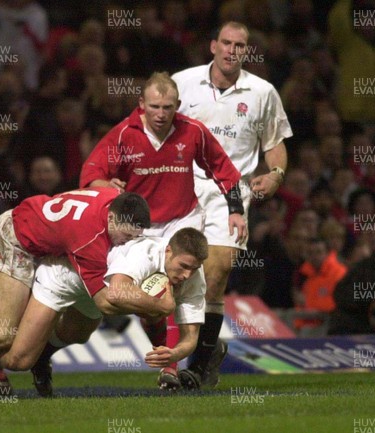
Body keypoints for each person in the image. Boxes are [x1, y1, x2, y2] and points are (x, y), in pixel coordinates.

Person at [79, 71, 246, 389]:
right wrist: (107, 186)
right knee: (149, 304)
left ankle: (183, 363)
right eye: (154, 106)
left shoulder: (192, 131)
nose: (160, 114)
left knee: (174, 287)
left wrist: (236, 210)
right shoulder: (123, 135)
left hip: (182, 221)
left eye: (167, 107)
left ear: (177, 106)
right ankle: (185, 358)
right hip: (140, 229)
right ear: (141, 104)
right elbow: (91, 175)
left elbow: (224, 168)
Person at [0, 188, 155, 397]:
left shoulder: (115, 199)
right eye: (125, 236)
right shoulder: (90, 240)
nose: (126, 243)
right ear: (111, 217)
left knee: (77, 330)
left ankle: (9, 353)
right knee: (3, 333)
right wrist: (154, 306)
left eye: (134, 238)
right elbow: (104, 302)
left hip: (40, 240)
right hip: (12, 240)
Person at [0, 228, 209, 397]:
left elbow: (191, 335)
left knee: (77, 333)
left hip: (93, 287)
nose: (186, 275)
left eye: (193, 269)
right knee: (16, 356)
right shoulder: (144, 255)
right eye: (183, 266)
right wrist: (159, 307)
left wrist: (175, 354)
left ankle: (42, 357)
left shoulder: (193, 276)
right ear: (169, 250)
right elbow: (114, 296)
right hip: (65, 278)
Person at [171, 21, 292, 389]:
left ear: (246, 51)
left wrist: (276, 175)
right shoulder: (182, 83)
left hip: (231, 193)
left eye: (240, 45)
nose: (232, 51)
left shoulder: (262, 92)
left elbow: (274, 144)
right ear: (213, 45)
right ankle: (204, 351)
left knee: (218, 269)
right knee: (175, 275)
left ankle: (199, 363)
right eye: (226, 43)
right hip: (180, 189)